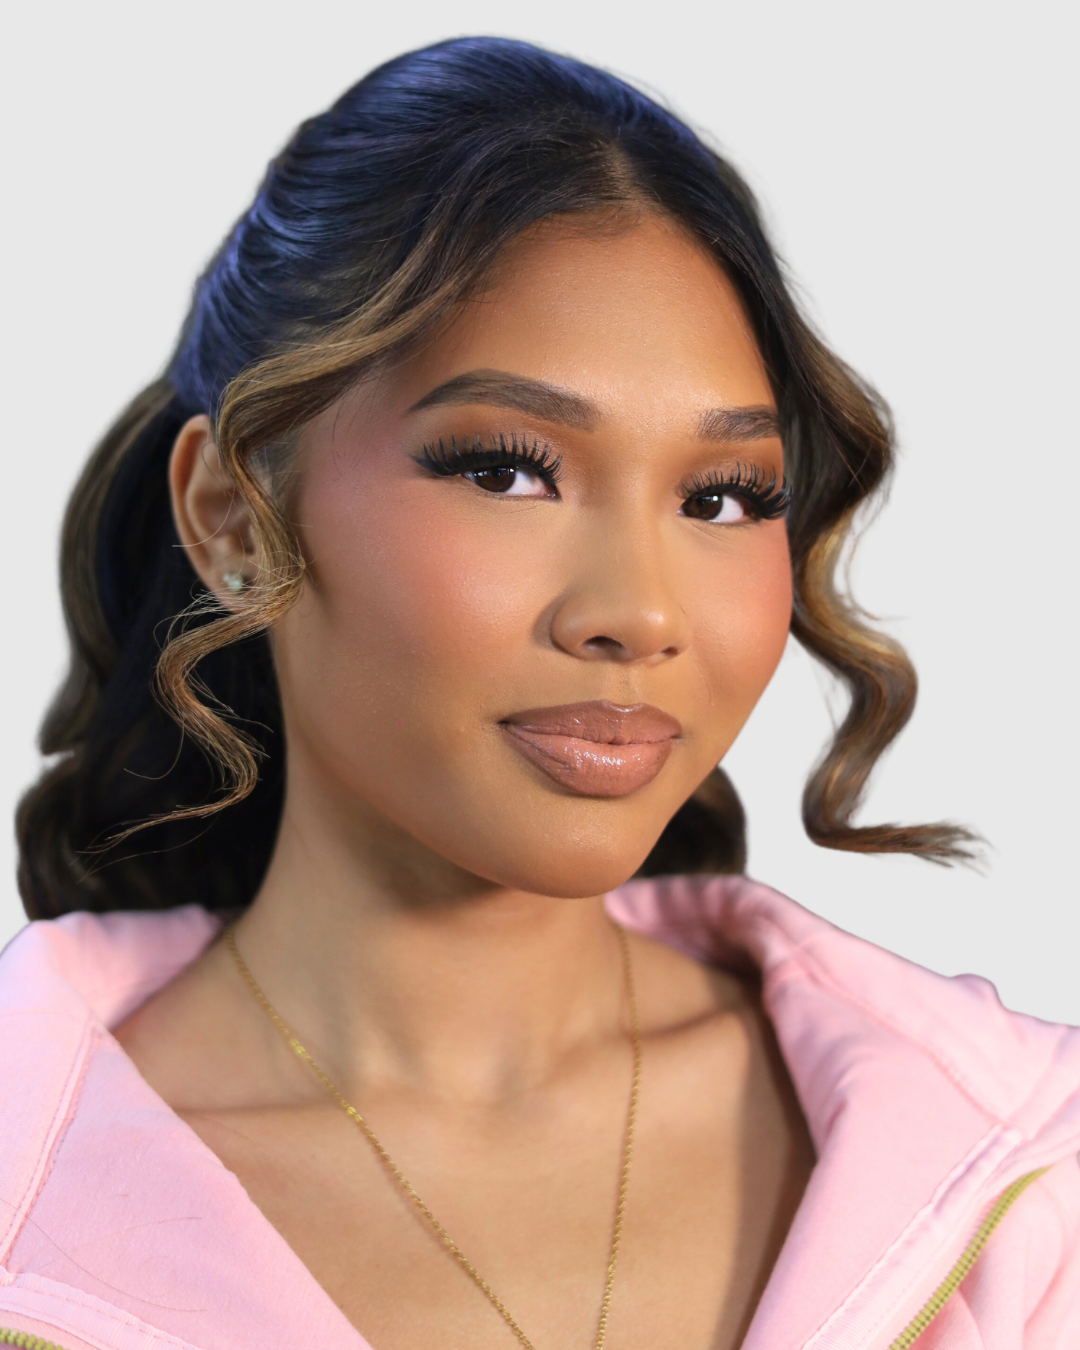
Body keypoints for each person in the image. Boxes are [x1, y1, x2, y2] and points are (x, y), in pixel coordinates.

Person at [1, 36, 1077, 1350]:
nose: (638, 610)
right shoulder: (27, 1209)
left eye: (723, 495)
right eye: (510, 470)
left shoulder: (1035, 1172)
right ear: (233, 517)